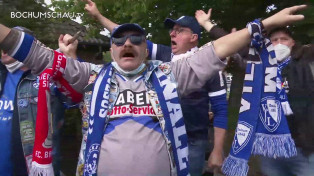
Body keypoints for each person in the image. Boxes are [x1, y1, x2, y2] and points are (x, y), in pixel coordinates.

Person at [0, 4, 306, 175]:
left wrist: (264, 25)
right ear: (112, 48)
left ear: (148, 49)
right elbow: (34, 52)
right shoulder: (90, 74)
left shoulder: (170, 73)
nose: (127, 43)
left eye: (136, 39)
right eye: (119, 40)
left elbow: (217, 49)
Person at [84, 1, 228, 175]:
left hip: (192, 141)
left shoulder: (208, 66)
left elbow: (221, 109)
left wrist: (217, 150)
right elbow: (128, 37)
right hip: (162, 137)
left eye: (180, 30)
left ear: (194, 38)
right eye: (172, 29)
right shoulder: (163, 54)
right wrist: (98, 16)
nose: (172, 33)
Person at [0, 26, 65, 176]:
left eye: (12, 41)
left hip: (32, 169)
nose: (5, 44)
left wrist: (69, 55)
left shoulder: (47, 79)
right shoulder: (2, 74)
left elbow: (79, 86)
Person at [259, 27, 314, 176]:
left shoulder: (305, 60)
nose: (279, 43)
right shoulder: (262, 67)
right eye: (274, 40)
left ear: (293, 43)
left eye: (284, 39)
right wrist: (209, 25)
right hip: (271, 149)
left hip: (303, 148)